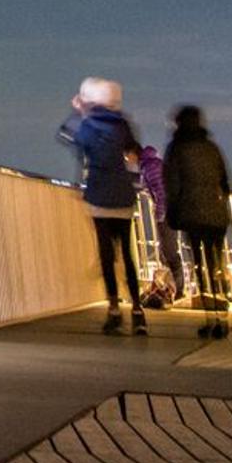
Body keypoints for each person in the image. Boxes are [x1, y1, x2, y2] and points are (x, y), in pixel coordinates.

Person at [58, 78, 148, 335]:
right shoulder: (123, 126)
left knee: (107, 255)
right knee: (128, 257)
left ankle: (114, 311)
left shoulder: (88, 125)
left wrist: (78, 112)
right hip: (122, 194)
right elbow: (134, 152)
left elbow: (66, 135)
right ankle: (139, 312)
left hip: (98, 195)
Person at [161, 104, 232, 338]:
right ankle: (222, 319)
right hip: (217, 216)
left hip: (192, 215)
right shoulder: (211, 147)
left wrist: (172, 213)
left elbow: (171, 186)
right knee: (216, 266)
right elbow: (225, 182)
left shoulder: (176, 149)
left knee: (200, 267)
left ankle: (210, 318)